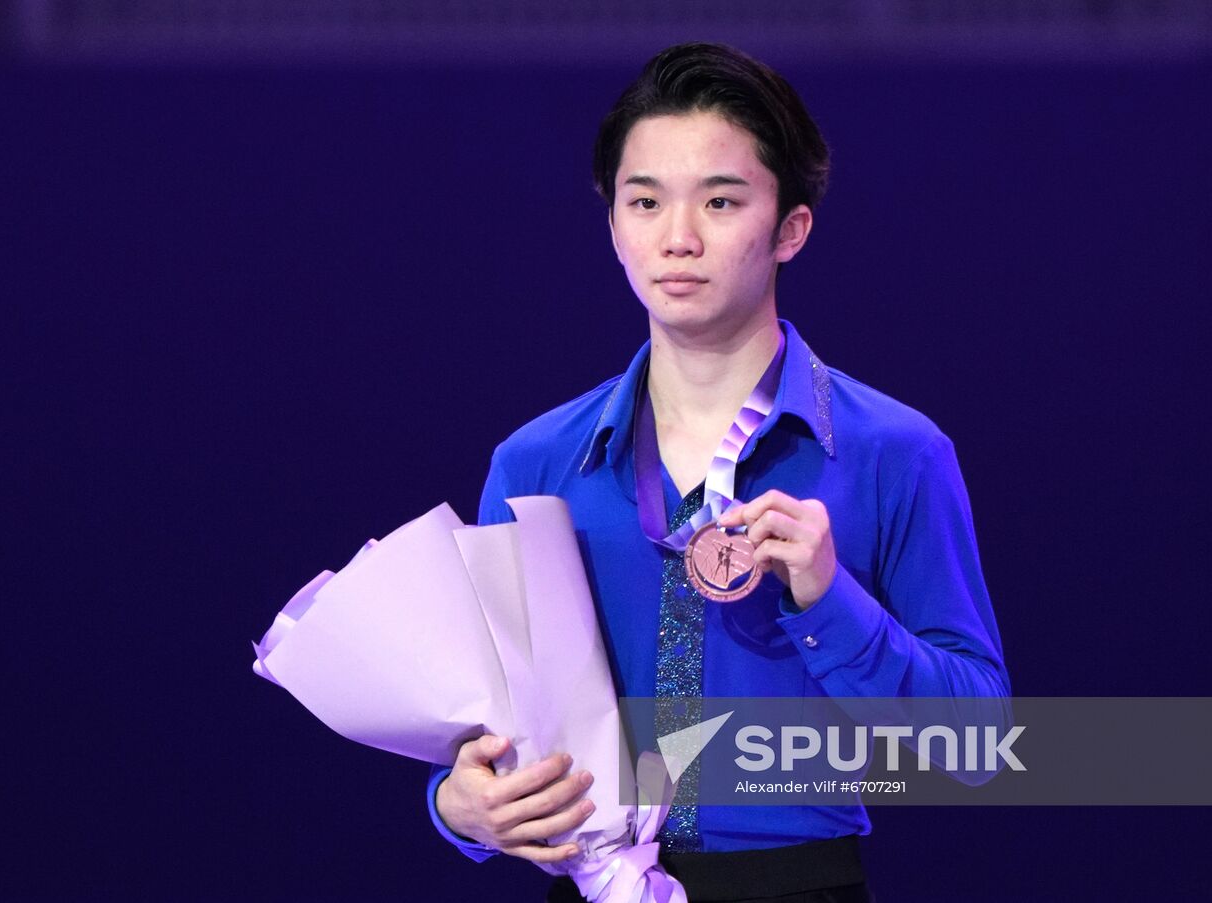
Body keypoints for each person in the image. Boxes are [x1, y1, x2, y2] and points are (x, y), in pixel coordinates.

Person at [427, 42, 1009, 902]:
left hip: (797, 885)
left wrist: (831, 597)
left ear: (791, 229)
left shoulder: (894, 450)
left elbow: (977, 748)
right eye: (646, 201)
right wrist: (457, 805)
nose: (679, 238)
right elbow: (482, 730)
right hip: (591, 884)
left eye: (722, 200)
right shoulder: (534, 461)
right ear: (614, 226)